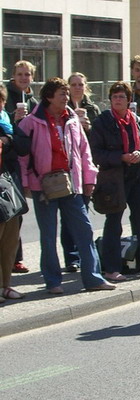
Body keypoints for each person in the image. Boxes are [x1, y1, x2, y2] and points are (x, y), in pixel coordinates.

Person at [15, 77, 115, 294]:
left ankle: (93, 278)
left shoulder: (72, 120)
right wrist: (25, 184)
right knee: (48, 235)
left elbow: (84, 151)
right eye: (62, 94)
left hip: (72, 185)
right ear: (49, 97)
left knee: (84, 231)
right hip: (44, 187)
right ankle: (53, 281)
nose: (67, 97)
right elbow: (22, 157)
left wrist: (89, 179)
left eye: (67, 94)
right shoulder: (31, 122)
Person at [91, 81, 140, 281]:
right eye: (114, 97)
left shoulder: (137, 120)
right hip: (114, 179)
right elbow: (97, 154)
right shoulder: (102, 121)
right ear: (110, 100)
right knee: (114, 223)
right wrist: (120, 157)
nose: (117, 100)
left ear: (128, 100)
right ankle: (112, 268)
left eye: (121, 97)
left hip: (138, 176)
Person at [60, 72, 102, 274]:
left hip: (85, 166)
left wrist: (88, 127)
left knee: (82, 212)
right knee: (67, 216)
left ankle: (84, 255)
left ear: (86, 87)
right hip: (66, 167)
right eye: (73, 84)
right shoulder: (63, 110)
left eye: (80, 84)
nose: (77, 87)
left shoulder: (92, 109)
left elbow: (98, 139)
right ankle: (71, 257)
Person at [5, 60, 38, 274]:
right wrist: (12, 118)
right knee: (7, 211)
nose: (23, 78)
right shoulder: (5, 97)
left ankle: (16, 258)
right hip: (6, 160)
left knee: (17, 211)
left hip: (21, 162)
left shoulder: (33, 101)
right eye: (20, 74)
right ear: (13, 76)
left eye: (27, 74)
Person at [0, 84, 25, 301]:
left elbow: (23, 146)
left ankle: (5, 285)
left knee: (10, 239)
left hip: (7, 185)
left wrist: (10, 138)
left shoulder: (7, 121)